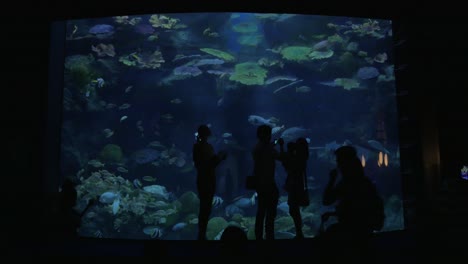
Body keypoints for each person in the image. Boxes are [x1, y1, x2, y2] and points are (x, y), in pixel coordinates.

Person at [321, 145, 384, 248]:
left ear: (344, 163)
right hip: (365, 231)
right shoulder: (365, 182)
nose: (337, 165)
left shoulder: (348, 183)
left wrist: (332, 179)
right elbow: (355, 209)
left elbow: (327, 200)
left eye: (338, 161)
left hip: (352, 235)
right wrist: (333, 213)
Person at [193, 124, 227, 240]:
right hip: (207, 180)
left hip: (202, 180)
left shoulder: (196, 146)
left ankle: (201, 233)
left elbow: (202, 164)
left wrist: (217, 158)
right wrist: (221, 156)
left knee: (204, 207)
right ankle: (202, 234)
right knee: (206, 208)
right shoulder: (206, 147)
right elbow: (211, 164)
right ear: (207, 134)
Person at [252, 125, 280, 240]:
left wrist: (276, 142)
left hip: (259, 184)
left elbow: (268, 146)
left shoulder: (257, 147)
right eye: (269, 134)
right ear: (267, 135)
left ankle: (258, 236)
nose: (270, 136)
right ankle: (269, 236)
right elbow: (279, 156)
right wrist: (281, 146)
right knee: (270, 213)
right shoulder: (268, 149)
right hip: (269, 183)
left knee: (261, 211)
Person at [280, 137, 309, 239]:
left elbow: (285, 163)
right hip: (297, 185)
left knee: (293, 209)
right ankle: (299, 231)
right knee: (294, 209)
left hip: (295, 186)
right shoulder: (302, 157)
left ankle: (299, 232)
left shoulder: (298, 158)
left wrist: (283, 148)